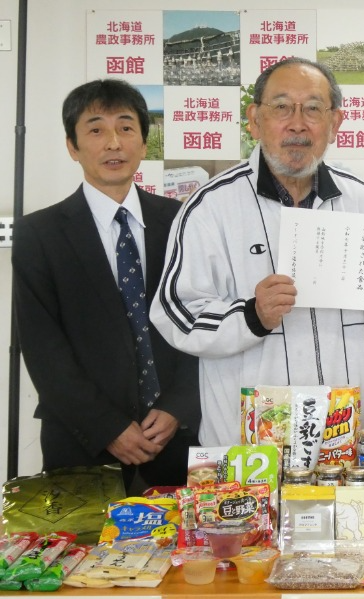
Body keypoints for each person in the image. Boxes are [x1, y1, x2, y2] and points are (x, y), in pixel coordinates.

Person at [150, 57, 364, 446]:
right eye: (282, 107)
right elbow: (175, 314)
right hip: (246, 443)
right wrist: (251, 315)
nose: (297, 123)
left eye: (312, 109)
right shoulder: (211, 206)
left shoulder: (361, 201)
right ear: (254, 119)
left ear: (335, 123)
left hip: (340, 436)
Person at [12, 79, 200, 493]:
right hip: (82, 444)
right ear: (72, 146)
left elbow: (202, 319)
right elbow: (43, 349)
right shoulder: (38, 234)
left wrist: (178, 408)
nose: (113, 142)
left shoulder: (182, 221)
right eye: (96, 129)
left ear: (143, 143)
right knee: (82, 557)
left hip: (178, 439)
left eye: (126, 127)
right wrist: (108, 427)